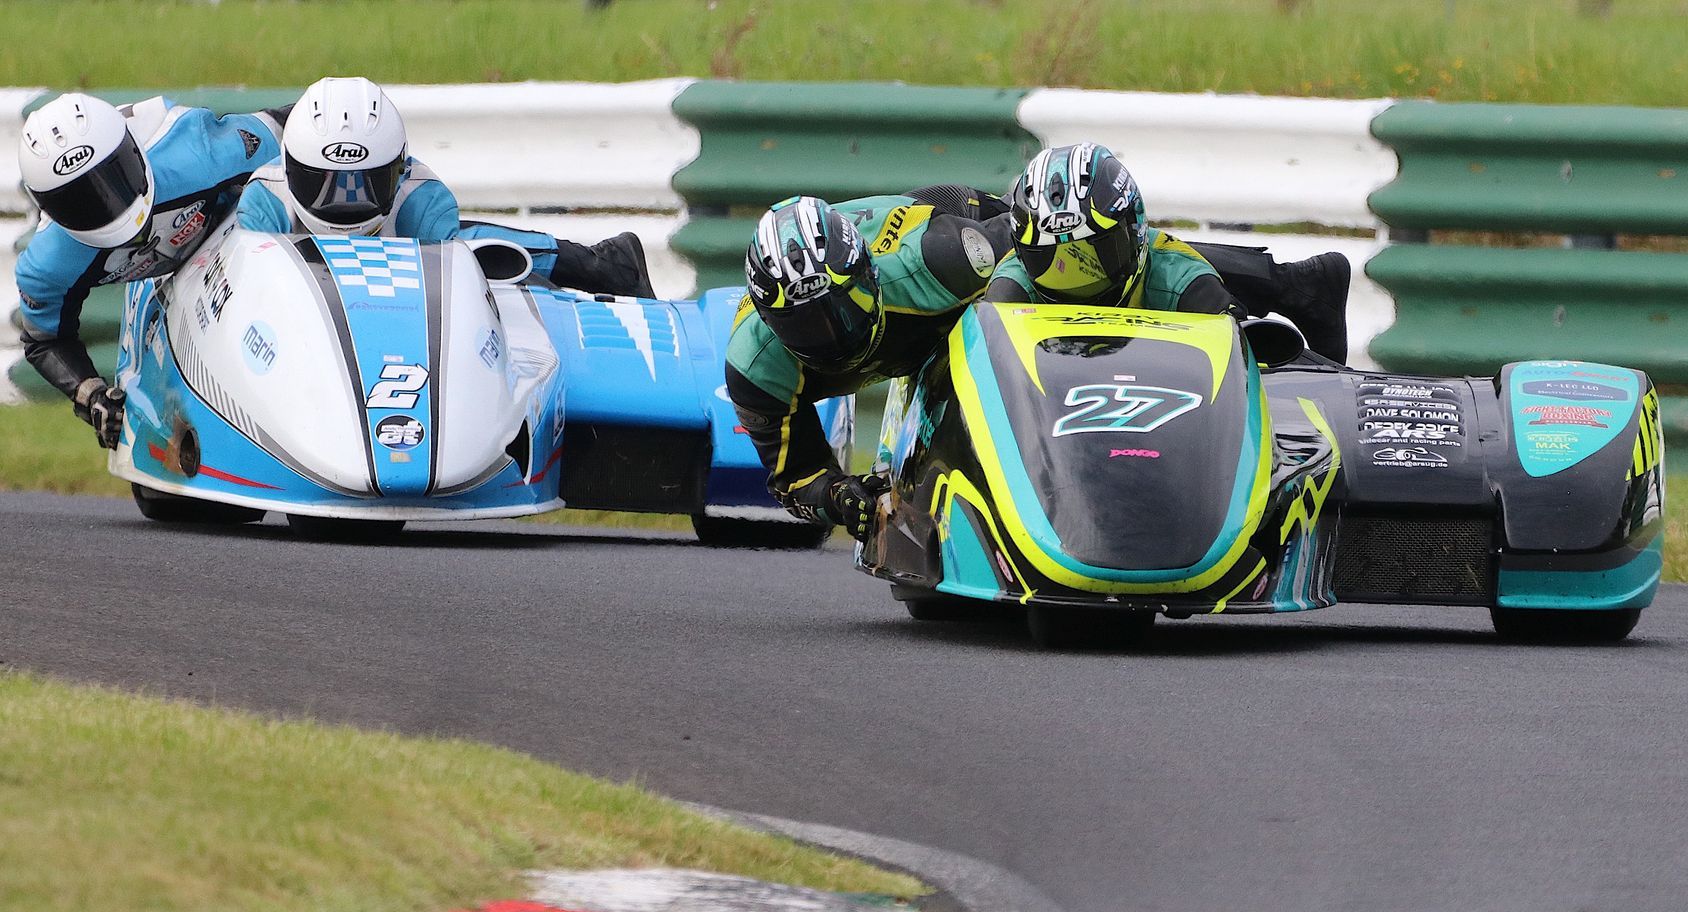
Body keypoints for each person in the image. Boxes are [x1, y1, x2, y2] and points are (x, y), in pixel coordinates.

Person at [725, 188, 1010, 540]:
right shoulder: (754, 366)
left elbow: (1040, 245)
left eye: (844, 306)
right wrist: (839, 496)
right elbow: (795, 476)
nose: (830, 335)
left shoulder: (938, 264)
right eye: (800, 325)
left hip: (950, 216)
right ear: (769, 322)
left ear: (870, 275)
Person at [15, 92, 290, 446]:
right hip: (162, 292)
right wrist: (92, 395)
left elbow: (297, 134)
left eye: (113, 179)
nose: (105, 206)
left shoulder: (200, 153)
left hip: (245, 241)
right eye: (78, 202)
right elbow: (44, 341)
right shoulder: (46, 267)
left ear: (132, 152)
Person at [237, 77, 650, 298]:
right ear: (291, 168)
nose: (346, 198)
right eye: (324, 182)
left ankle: (605, 263)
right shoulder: (264, 202)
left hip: (400, 300)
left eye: (365, 183)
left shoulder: (420, 199)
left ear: (397, 170)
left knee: (479, 258)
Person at [985, 142, 1352, 362]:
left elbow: (1242, 377)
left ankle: (1305, 287)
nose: (1079, 283)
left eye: (1095, 257)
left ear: (1134, 231)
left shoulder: (1185, 281)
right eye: (1053, 263)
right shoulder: (1010, 288)